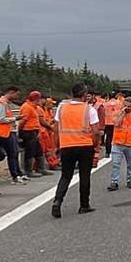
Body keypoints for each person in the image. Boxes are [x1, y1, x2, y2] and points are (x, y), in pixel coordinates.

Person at [52, 83, 100, 218]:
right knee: (84, 175)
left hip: (66, 146)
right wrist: (95, 145)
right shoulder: (89, 109)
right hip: (85, 145)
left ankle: (57, 201)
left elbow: (55, 128)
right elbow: (95, 131)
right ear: (85, 95)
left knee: (65, 176)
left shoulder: (61, 108)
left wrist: (57, 145)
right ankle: (84, 205)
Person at [0, 86, 27, 184]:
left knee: (15, 153)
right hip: (4, 132)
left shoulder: (5, 103)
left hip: (9, 131)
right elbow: (1, 118)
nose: (17, 96)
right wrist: (15, 119)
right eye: (16, 94)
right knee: (12, 154)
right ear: (11, 92)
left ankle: (18, 173)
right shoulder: (1, 103)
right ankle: (15, 176)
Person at [18, 91, 51, 178]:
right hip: (28, 131)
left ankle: (41, 168)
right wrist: (19, 132)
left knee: (38, 150)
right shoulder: (27, 107)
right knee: (30, 151)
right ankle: (28, 171)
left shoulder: (34, 107)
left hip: (34, 131)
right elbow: (23, 121)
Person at [102, 93, 121, 158]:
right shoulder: (119, 103)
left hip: (107, 122)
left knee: (108, 138)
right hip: (116, 122)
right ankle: (117, 151)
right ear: (116, 96)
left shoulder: (105, 104)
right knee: (117, 137)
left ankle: (107, 152)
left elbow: (103, 113)